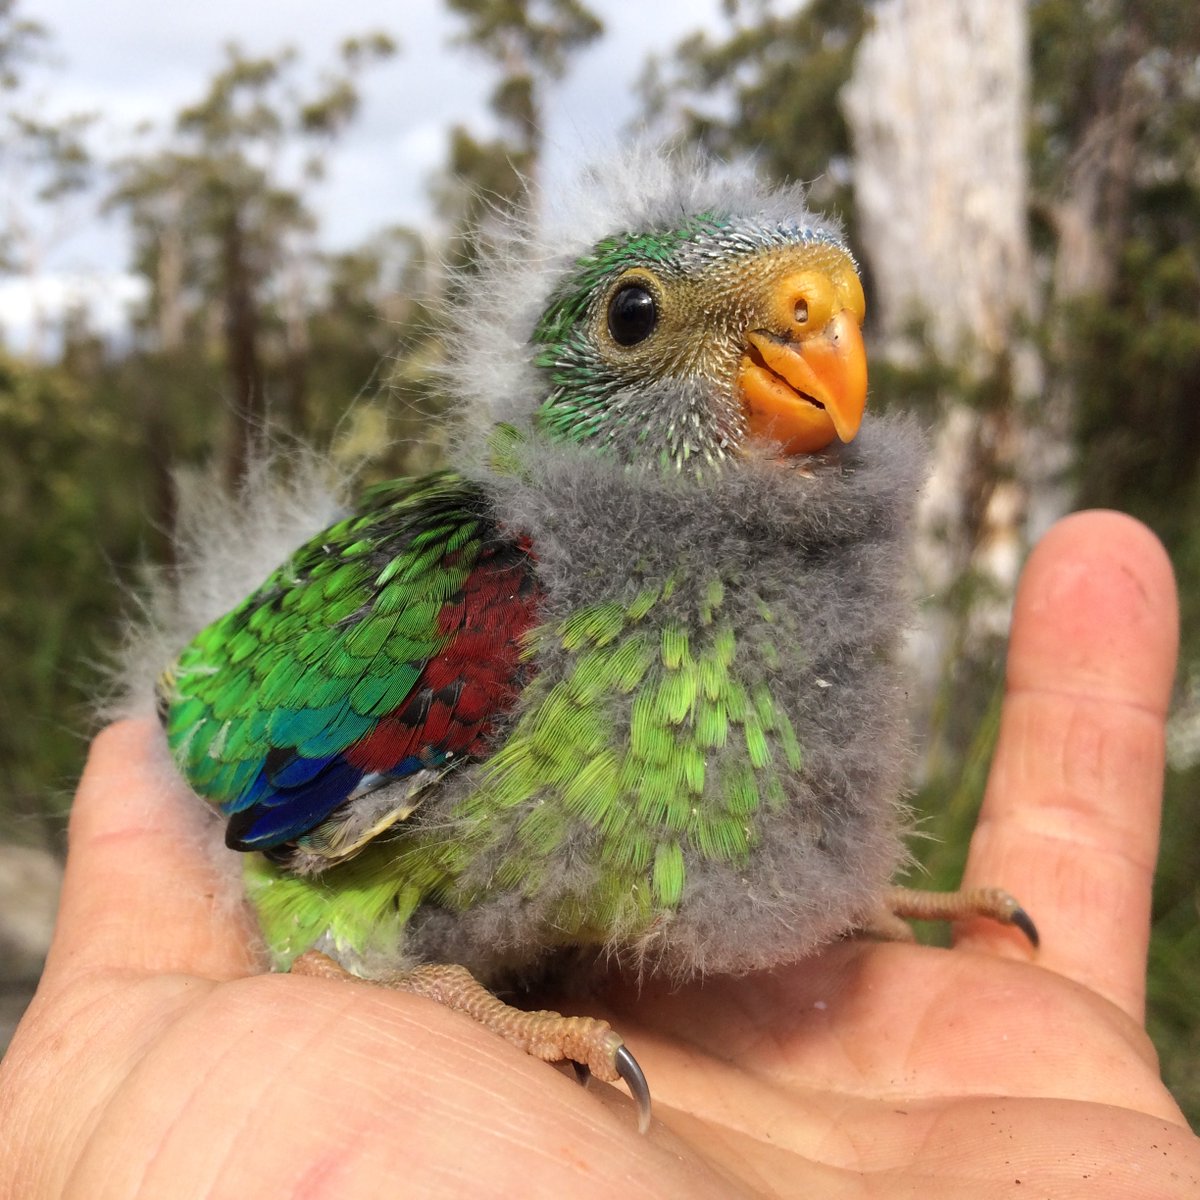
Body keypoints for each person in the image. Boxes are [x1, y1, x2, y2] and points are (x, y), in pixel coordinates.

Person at [1, 510, 1196, 1198]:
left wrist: (797, 901)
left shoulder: (785, 617)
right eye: (643, 320)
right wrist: (401, 985)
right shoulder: (478, 607)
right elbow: (252, 783)